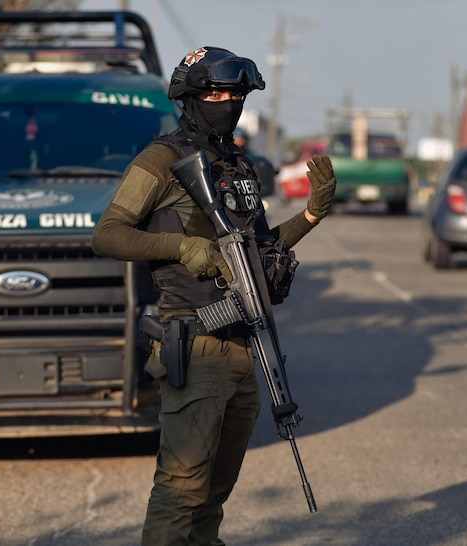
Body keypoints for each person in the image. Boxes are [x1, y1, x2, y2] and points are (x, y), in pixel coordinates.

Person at [91, 46, 336, 545]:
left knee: (214, 493)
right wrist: (182, 247)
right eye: (216, 93)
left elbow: (260, 253)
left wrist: (311, 215)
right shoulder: (161, 159)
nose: (227, 102)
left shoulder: (240, 165)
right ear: (191, 97)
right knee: (182, 488)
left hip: (245, 344)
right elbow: (108, 234)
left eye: (235, 94)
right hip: (194, 341)